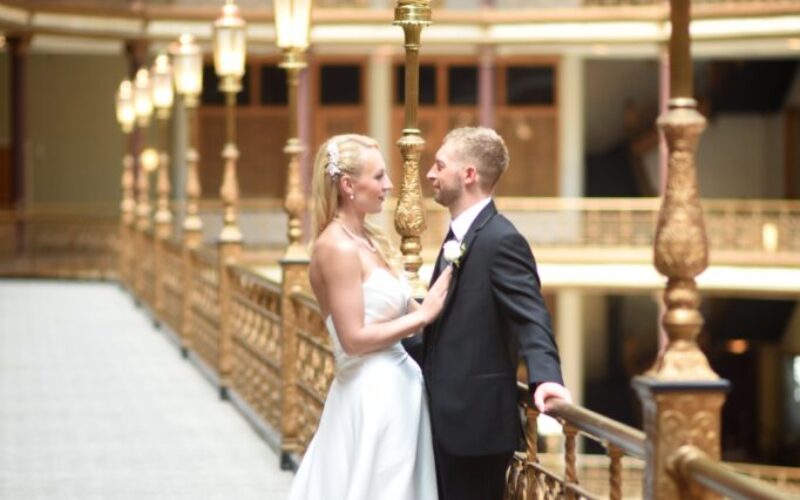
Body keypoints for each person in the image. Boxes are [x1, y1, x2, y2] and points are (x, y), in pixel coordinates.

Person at [288, 134, 451, 500]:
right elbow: (354, 339)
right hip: (371, 397)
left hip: (398, 393)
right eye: (378, 177)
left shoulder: (368, 239)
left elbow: (405, 305)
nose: (389, 185)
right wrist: (422, 316)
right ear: (348, 185)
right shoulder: (336, 247)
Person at [422, 127, 572, 500]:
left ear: (468, 174)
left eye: (440, 165)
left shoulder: (502, 239)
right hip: (443, 418)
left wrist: (546, 377)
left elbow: (531, 315)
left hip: (475, 429)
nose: (430, 174)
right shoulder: (458, 235)